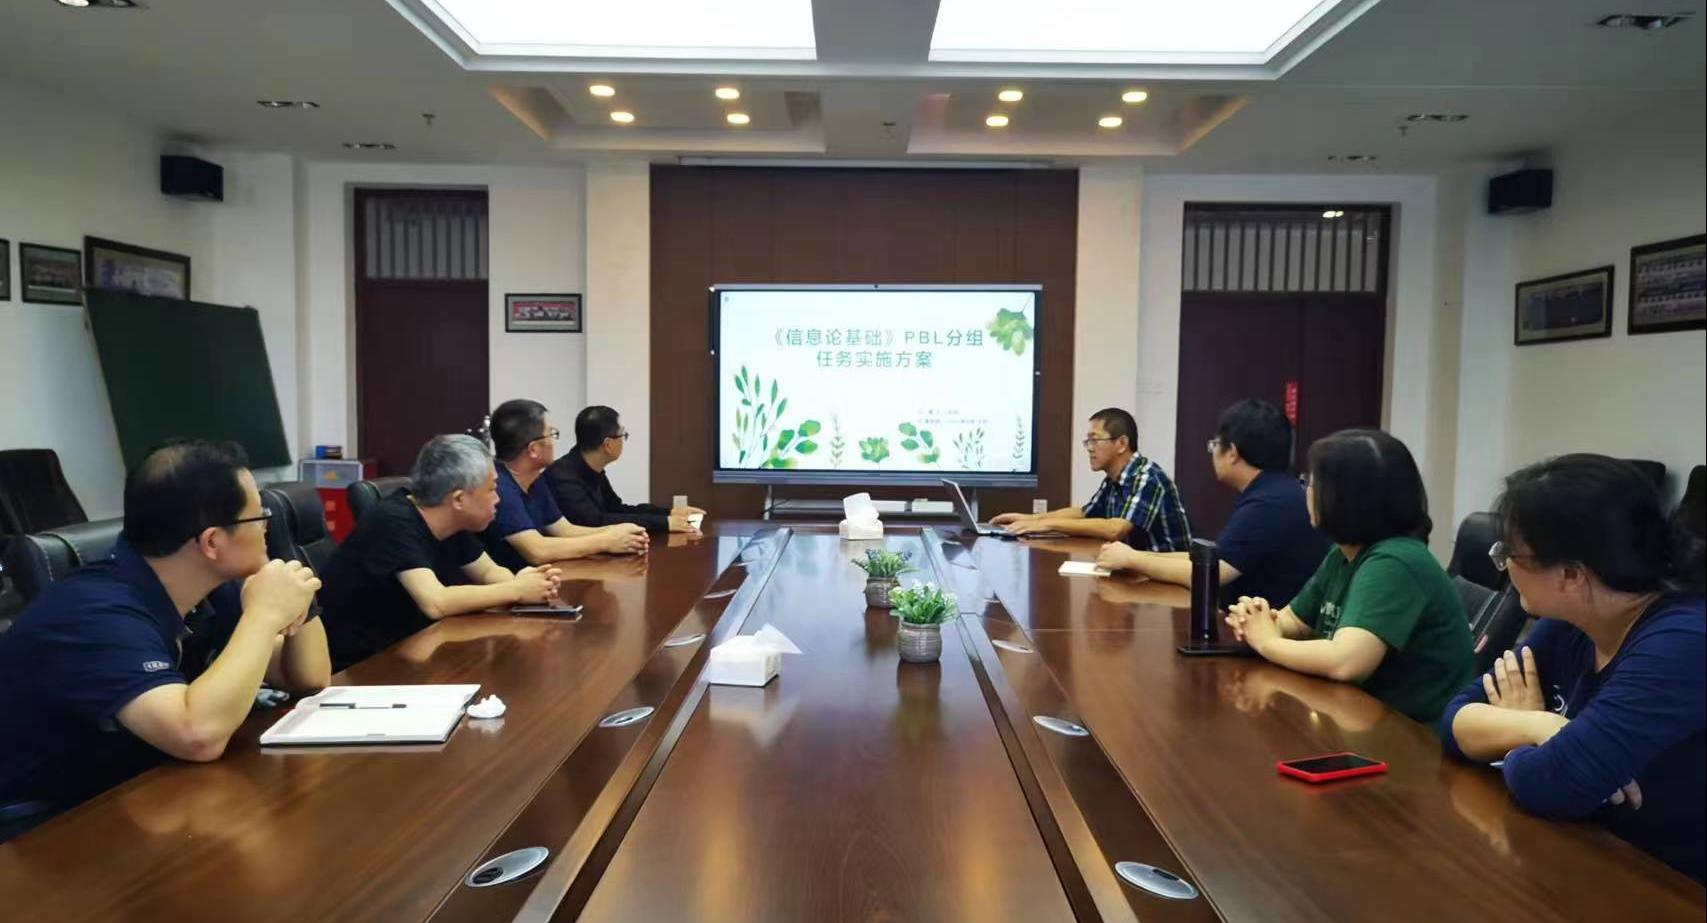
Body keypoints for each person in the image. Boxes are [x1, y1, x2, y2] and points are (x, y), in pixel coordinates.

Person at [0, 440, 328, 840]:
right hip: (39, 828)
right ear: (211, 542)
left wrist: (296, 598)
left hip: (134, 793)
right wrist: (262, 616)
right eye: (259, 516)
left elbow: (309, 676)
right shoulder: (94, 612)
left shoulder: (206, 584)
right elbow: (197, 736)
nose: (266, 527)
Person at [1439, 454, 1704, 883]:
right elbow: (1454, 721)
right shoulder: (1573, 620)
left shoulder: (1682, 642)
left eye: (1508, 553)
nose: (1504, 566)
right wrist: (1540, 726)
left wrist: (1514, 738)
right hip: (1586, 854)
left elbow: (1550, 785)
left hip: (1666, 885)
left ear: (1570, 575)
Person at [1223, 429, 1472, 723]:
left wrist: (1268, 643)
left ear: (1348, 498)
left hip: (1412, 738)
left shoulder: (1396, 562)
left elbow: (1347, 662)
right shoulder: (1345, 553)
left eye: (1312, 483)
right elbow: (1295, 622)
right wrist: (1257, 618)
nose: (1307, 492)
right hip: (1358, 719)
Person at [318, 434, 566, 672]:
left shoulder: (451, 522)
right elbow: (436, 602)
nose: (498, 499)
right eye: (492, 489)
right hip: (362, 668)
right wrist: (517, 590)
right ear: (458, 499)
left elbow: (489, 572)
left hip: (413, 649)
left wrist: (531, 584)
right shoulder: (393, 521)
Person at [1096, 399, 1328, 605]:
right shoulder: (1274, 491)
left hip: (1272, 632)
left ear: (1232, 452)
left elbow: (1209, 573)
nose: (1213, 453)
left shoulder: (1269, 503)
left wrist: (1132, 559)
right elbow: (1211, 558)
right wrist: (1134, 555)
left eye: (1214, 445)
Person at [480, 399, 649, 571]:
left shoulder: (534, 479)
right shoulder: (499, 486)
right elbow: (537, 550)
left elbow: (564, 529)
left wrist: (618, 531)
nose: (554, 442)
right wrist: (607, 541)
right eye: (551, 434)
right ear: (533, 449)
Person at [991, 407, 1191, 550]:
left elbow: (1115, 529)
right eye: (1088, 441)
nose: (1089, 448)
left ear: (1122, 444)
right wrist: (1030, 519)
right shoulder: (1114, 479)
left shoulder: (1147, 477)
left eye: (1095, 440)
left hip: (1166, 581)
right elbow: (1085, 513)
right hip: (1137, 571)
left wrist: (1047, 525)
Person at [546, 405, 706, 534]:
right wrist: (664, 523)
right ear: (608, 445)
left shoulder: (593, 469)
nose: (623, 440)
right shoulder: (562, 476)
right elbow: (595, 522)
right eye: (622, 435)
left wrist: (669, 513)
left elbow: (617, 509)